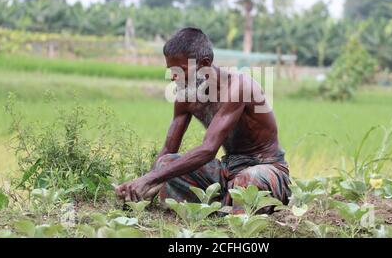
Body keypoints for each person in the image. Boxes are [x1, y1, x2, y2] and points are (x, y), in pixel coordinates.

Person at [115, 27, 291, 213]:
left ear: (204, 64)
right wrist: (143, 186)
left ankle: (229, 209)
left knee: (249, 179)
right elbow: (168, 150)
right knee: (165, 163)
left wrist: (150, 179)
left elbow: (208, 149)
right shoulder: (185, 95)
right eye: (171, 70)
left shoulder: (239, 87)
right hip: (227, 170)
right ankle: (222, 206)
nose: (173, 77)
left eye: (180, 70)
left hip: (265, 168)